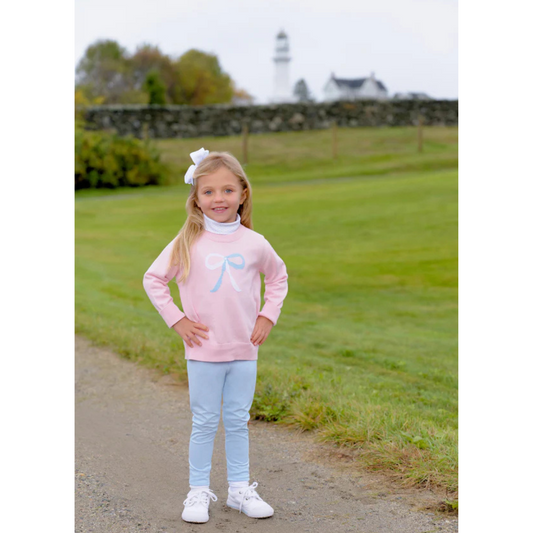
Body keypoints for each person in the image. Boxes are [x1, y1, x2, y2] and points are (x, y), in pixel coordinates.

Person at [142, 148, 289, 524]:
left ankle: (239, 490)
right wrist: (177, 320)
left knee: (238, 420)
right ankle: (197, 491)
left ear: (243, 193)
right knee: (205, 421)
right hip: (203, 350)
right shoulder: (187, 241)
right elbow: (154, 279)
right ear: (196, 197)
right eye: (208, 191)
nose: (218, 198)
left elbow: (278, 277)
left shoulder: (255, 243)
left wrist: (267, 316)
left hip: (244, 348)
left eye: (227, 190)